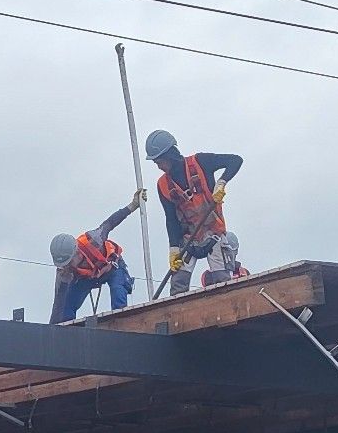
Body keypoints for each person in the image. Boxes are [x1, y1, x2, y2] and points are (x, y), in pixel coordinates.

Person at [145, 129, 244, 295]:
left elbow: (235, 160)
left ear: (169, 155)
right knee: (178, 282)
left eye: (159, 162)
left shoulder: (200, 162)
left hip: (213, 233)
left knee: (221, 278)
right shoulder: (163, 185)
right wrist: (174, 249)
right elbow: (171, 220)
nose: (159, 166)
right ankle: (176, 313)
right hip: (188, 237)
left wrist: (221, 182)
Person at [49, 189, 143, 323]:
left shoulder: (94, 239)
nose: (66, 267)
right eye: (63, 265)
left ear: (76, 252)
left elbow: (111, 222)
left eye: (68, 262)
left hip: (112, 268)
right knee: (67, 307)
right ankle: (65, 333)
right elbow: (58, 303)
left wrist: (133, 205)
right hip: (87, 278)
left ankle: (121, 324)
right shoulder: (64, 273)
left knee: (118, 293)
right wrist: (52, 332)